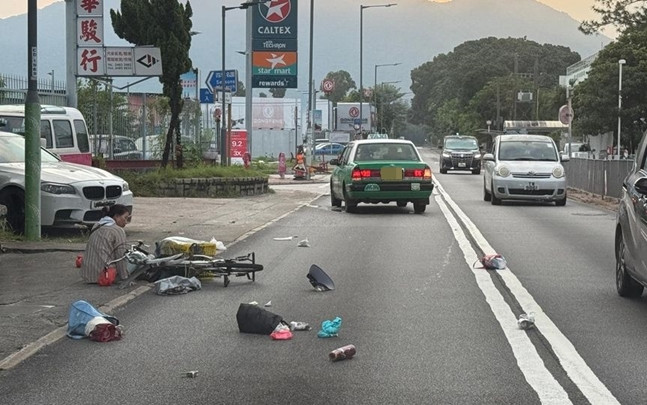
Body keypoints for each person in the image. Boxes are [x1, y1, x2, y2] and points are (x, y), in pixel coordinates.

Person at [80, 204, 131, 284]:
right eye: (125, 218)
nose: (126, 222)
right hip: (106, 275)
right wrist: (125, 278)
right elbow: (121, 256)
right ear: (116, 216)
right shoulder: (118, 231)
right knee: (134, 264)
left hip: (88, 275)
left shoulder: (96, 225)